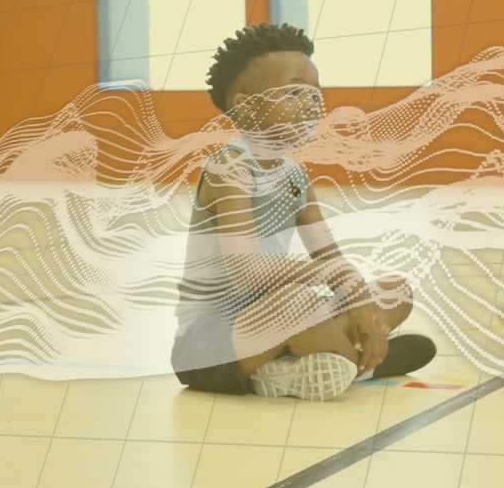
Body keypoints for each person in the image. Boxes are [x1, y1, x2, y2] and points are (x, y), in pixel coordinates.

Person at [170, 23, 435, 401]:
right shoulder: (231, 168)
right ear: (246, 106)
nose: (309, 106)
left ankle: (310, 364)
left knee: (395, 291)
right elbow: (246, 273)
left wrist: (358, 299)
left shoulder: (295, 176)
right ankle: (364, 359)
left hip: (273, 323)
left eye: (315, 95)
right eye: (293, 93)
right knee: (299, 301)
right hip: (211, 346)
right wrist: (333, 278)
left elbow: (330, 256)